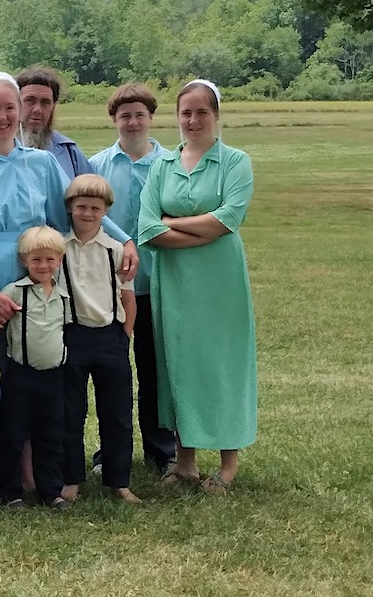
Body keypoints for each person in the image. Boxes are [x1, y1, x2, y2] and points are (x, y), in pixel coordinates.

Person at [0, 71, 137, 502]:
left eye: (9, 107)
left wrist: (123, 237)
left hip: (39, 277)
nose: (3, 116)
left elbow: (73, 214)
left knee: (35, 370)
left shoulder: (42, 162)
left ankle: (33, 472)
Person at [138, 79, 256, 493]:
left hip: (220, 282)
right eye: (185, 112)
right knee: (179, 364)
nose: (192, 120)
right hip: (174, 282)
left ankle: (227, 464)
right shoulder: (162, 166)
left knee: (221, 363)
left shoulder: (235, 162)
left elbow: (229, 219)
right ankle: (184, 461)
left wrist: (172, 223)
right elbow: (147, 230)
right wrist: (202, 229)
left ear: (216, 115)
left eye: (201, 112)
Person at [89, 84, 177, 474]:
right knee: (111, 373)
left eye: (139, 114)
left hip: (159, 281)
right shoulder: (97, 165)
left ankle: (163, 449)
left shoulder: (171, 163)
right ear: (114, 120)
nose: (132, 121)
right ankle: (111, 451)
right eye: (125, 115)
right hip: (109, 286)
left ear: (151, 117)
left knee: (156, 368)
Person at [59, 174, 140, 504]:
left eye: (95, 208)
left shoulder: (116, 250)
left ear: (105, 210)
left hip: (110, 338)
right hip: (71, 337)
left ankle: (119, 481)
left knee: (117, 412)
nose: (88, 214)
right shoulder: (58, 249)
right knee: (69, 412)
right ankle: (70, 480)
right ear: (70, 208)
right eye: (81, 207)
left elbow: (128, 298)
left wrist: (124, 335)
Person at [0, 226, 71, 509]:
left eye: (49, 259)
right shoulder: (15, 292)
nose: (43, 265)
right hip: (20, 374)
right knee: (13, 435)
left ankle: (50, 490)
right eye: (36, 260)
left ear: (59, 260)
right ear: (24, 261)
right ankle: (10, 492)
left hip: (54, 376)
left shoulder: (64, 296)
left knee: (51, 435)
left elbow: (66, 331)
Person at [16, 66, 93, 181]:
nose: (37, 109)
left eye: (45, 102)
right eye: (30, 100)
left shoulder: (70, 153)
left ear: (53, 106)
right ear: (16, 102)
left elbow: (92, 194)